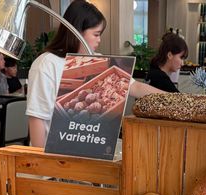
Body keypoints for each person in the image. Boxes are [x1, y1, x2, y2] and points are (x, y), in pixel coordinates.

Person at [27, 0, 163, 147]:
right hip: (54, 150)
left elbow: (135, 87)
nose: (99, 40)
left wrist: (173, 98)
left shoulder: (98, 60)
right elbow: (37, 117)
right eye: (96, 34)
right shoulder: (47, 63)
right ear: (77, 32)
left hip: (88, 146)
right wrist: (39, 158)